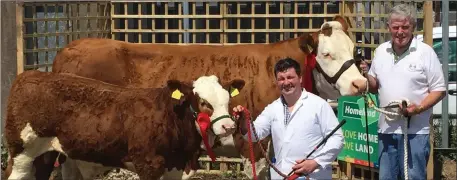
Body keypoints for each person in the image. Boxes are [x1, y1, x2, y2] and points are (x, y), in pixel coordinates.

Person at [363, 4, 446, 180]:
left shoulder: (425, 52)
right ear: (389, 28)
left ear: (413, 28)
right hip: (386, 130)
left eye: (405, 27)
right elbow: (373, 86)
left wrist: (419, 108)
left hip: (416, 132)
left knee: (414, 177)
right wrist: (363, 74)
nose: (400, 32)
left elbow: (439, 90)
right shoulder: (380, 51)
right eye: (396, 27)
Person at [233, 57, 344, 180]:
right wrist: (243, 121)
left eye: (290, 77)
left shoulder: (319, 105)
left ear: (300, 78)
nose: (286, 83)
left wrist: (315, 162)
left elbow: (337, 138)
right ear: (276, 81)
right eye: (281, 79)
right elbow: (254, 135)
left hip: (313, 176)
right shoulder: (273, 108)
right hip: (282, 176)